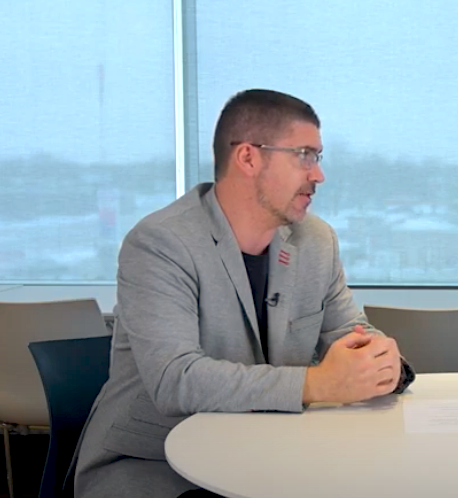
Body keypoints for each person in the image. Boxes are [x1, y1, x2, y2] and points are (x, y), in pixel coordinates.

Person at [73, 89, 415, 498]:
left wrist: (379, 359)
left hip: (264, 449)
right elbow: (175, 379)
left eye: (317, 157)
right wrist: (316, 384)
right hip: (152, 461)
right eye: (304, 155)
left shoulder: (316, 241)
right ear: (249, 157)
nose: (318, 175)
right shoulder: (160, 243)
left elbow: (349, 331)